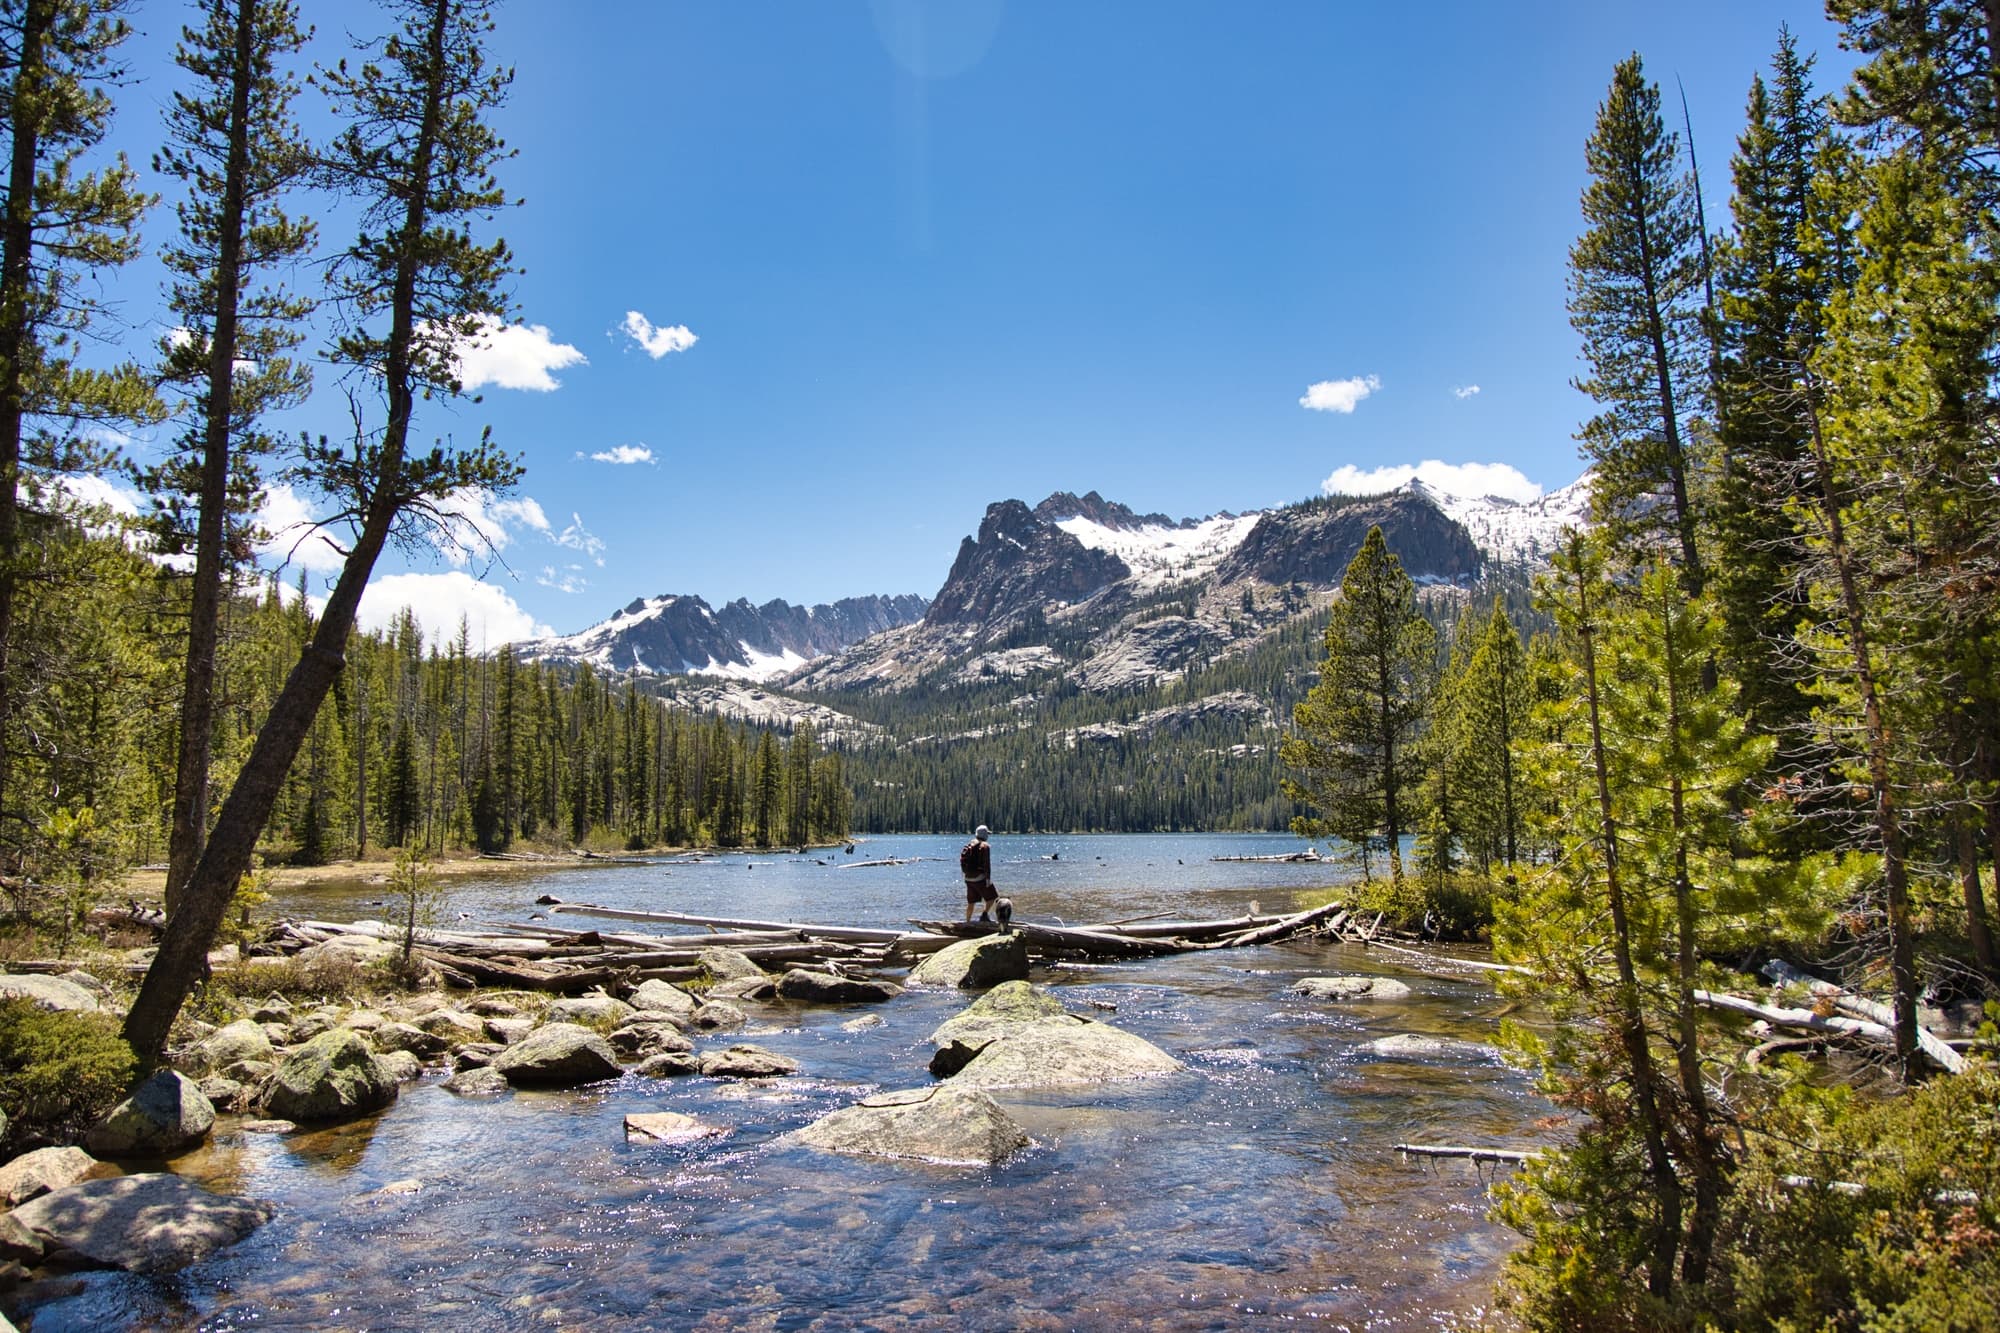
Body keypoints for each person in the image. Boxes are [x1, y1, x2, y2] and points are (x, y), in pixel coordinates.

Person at [960, 825, 1000, 923]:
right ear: (985, 835)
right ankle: (984, 915)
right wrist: (987, 879)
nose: (988, 836)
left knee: (971, 902)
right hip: (979, 878)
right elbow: (987, 864)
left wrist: (966, 874)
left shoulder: (969, 845)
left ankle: (967, 923)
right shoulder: (985, 846)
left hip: (968, 878)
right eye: (987, 834)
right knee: (993, 897)